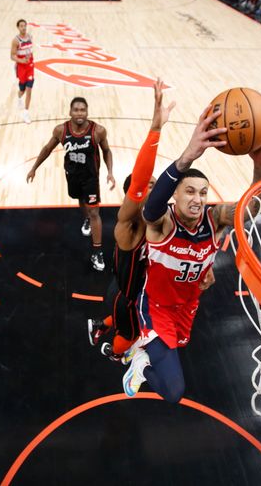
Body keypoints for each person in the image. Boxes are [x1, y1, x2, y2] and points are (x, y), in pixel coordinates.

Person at [122, 104, 261, 402]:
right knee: (174, 392)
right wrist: (187, 156)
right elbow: (150, 208)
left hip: (187, 306)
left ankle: (144, 351)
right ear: (175, 193)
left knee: (174, 370)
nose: (197, 199)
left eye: (203, 193)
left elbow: (256, 207)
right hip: (156, 308)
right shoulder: (162, 222)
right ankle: (140, 364)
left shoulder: (215, 219)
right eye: (190, 191)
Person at [87, 80, 216, 361]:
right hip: (129, 297)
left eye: (158, 185)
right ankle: (114, 354)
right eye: (150, 186)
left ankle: (100, 326)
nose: (155, 188)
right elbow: (140, 180)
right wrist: (156, 128)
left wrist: (206, 266)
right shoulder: (129, 225)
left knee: (125, 323)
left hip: (138, 293)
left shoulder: (163, 219)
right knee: (129, 337)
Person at [26, 97, 115, 271]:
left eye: (83, 110)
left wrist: (110, 172)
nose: (79, 113)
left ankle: (97, 251)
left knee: (95, 211)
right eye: (76, 110)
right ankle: (87, 220)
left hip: (91, 178)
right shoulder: (61, 130)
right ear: (70, 112)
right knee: (80, 200)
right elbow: (47, 149)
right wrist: (34, 168)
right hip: (72, 175)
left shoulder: (98, 131)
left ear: (87, 112)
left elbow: (106, 151)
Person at [11, 19, 34, 124]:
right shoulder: (16, 40)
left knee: (29, 90)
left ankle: (26, 112)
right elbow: (12, 56)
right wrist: (21, 60)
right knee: (22, 90)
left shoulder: (30, 37)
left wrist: (29, 58)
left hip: (30, 67)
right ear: (18, 27)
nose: (23, 27)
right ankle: (19, 97)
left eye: (25, 25)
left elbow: (29, 51)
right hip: (21, 68)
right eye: (21, 26)